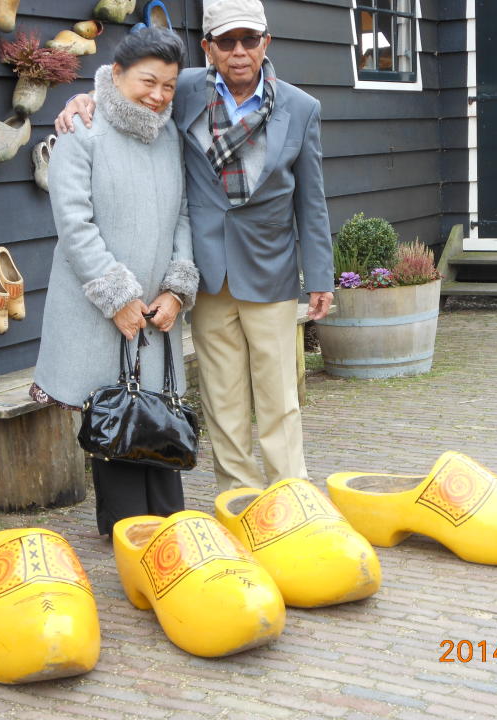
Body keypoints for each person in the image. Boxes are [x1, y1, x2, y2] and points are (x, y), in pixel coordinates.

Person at [56, 0, 334, 494]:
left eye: (250, 39)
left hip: (270, 271)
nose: (239, 51)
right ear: (208, 49)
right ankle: (239, 496)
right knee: (223, 396)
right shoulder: (182, 91)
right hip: (206, 273)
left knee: (278, 396)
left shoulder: (301, 107)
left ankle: (291, 496)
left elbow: (311, 201)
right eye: (226, 42)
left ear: (265, 43)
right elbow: (126, 87)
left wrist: (320, 276)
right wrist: (81, 102)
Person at [33, 27, 199, 535]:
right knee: (115, 410)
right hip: (99, 303)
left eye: (169, 86)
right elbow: (74, 225)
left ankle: (169, 526)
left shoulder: (169, 133)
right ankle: (128, 531)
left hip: (156, 308)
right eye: (148, 81)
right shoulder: (82, 132)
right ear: (118, 73)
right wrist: (118, 296)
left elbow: (183, 217)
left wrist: (176, 287)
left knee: (157, 413)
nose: (158, 95)